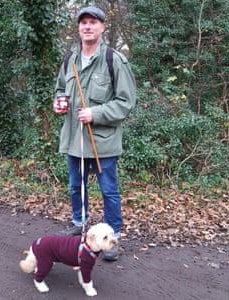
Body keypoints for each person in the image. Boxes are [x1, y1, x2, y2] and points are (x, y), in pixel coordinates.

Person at [54, 6, 136, 261]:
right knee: (76, 188)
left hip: (103, 143)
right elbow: (59, 90)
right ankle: (80, 228)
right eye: (83, 22)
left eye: (93, 22)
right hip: (74, 141)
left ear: (102, 27)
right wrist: (59, 103)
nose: (87, 26)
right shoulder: (70, 60)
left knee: (109, 191)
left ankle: (112, 239)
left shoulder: (114, 60)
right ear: (78, 28)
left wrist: (95, 114)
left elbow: (126, 101)